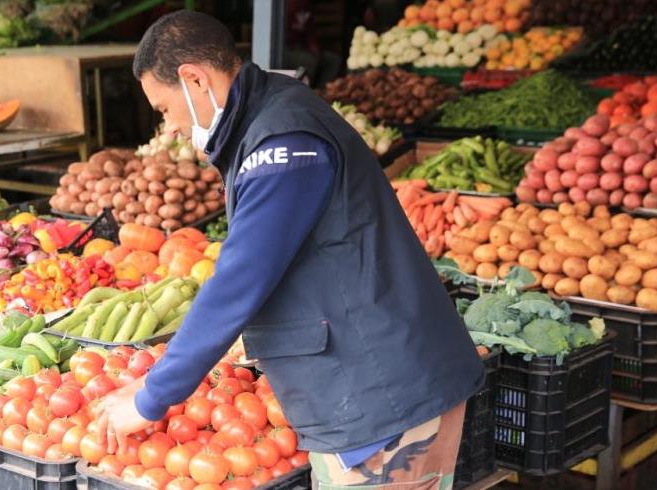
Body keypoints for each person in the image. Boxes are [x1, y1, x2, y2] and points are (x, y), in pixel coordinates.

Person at [96, 10, 484, 489]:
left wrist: (153, 396)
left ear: (194, 78)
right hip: (373, 384)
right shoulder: (269, 119)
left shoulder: (283, 141)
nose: (169, 127)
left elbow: (241, 278)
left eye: (163, 109)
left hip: (381, 395)